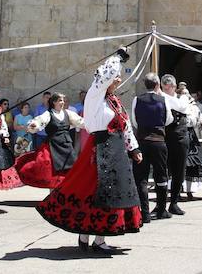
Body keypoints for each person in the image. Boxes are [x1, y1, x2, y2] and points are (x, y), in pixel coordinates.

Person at [36, 48, 144, 254]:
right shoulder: (96, 95)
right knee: (95, 192)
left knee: (108, 194)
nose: (118, 79)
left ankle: (93, 238)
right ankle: (90, 237)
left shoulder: (115, 101)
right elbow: (106, 76)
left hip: (116, 150)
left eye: (120, 77)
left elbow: (125, 125)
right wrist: (118, 57)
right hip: (100, 150)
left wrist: (134, 148)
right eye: (116, 76)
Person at [16, 92, 84, 190]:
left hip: (66, 146)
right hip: (53, 146)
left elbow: (80, 122)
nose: (62, 102)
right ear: (54, 102)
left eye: (63, 100)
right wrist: (34, 125)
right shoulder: (48, 114)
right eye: (60, 100)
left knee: (70, 170)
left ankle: (64, 194)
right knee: (52, 172)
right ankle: (52, 196)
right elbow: (39, 122)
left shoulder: (68, 113)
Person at [131, 73, 171, 221]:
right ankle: (161, 210)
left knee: (141, 178)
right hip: (159, 141)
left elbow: (134, 122)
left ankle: (145, 213)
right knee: (161, 176)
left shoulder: (137, 99)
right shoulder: (163, 99)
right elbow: (168, 120)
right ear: (157, 85)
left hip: (142, 141)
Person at [162, 73, 193, 216]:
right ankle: (161, 204)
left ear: (174, 87)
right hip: (164, 138)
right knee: (163, 171)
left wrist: (160, 94)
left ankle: (174, 202)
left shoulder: (182, 99)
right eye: (164, 87)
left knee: (179, 171)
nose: (165, 89)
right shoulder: (161, 97)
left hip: (180, 138)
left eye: (168, 87)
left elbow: (181, 107)